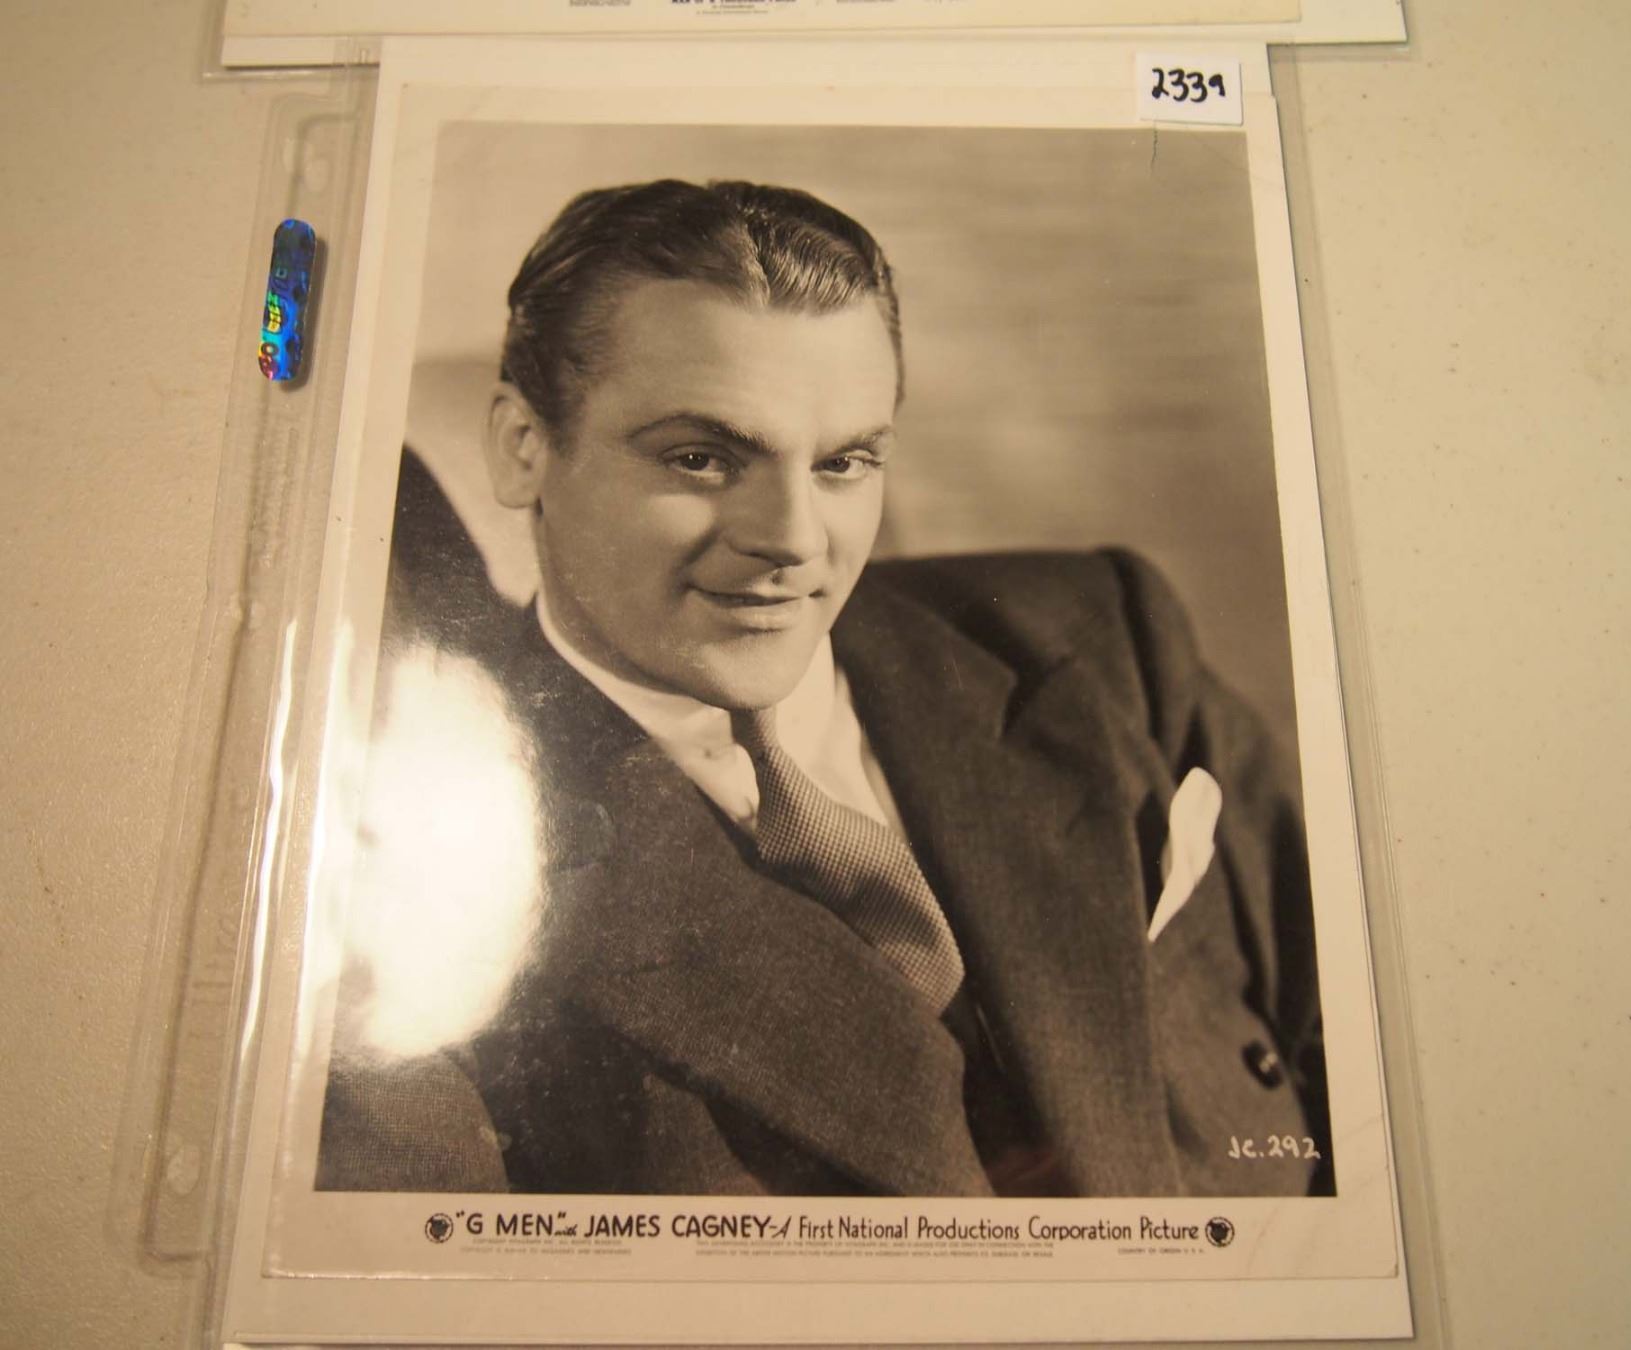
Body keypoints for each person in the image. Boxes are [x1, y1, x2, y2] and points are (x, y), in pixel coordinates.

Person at [319, 179, 1328, 1198]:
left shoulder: (1102, 642)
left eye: (843, 462)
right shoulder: (418, 890)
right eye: (702, 458)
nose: (795, 540)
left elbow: (1358, 1067)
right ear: (524, 448)